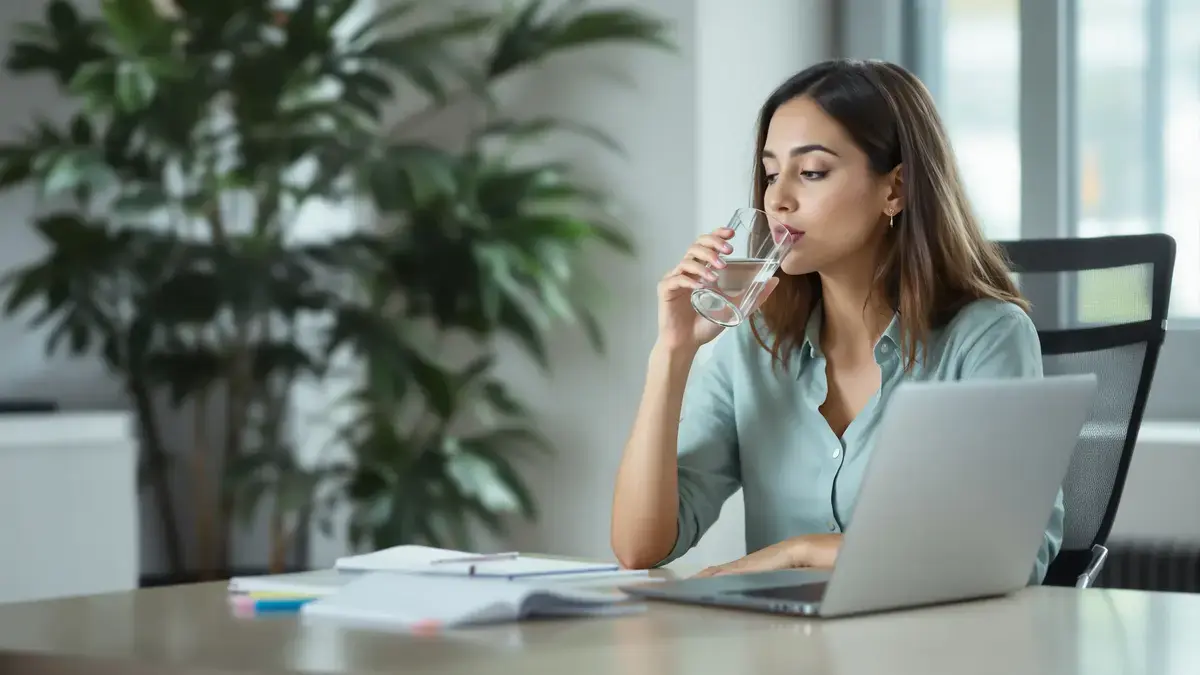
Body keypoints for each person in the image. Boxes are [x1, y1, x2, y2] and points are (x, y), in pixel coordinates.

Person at [609, 58, 1063, 585]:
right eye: (772, 173)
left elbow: (1007, 555)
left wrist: (800, 552)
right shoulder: (755, 345)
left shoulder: (986, 337)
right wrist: (672, 351)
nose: (777, 199)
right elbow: (640, 548)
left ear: (894, 189)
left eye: (812, 172)